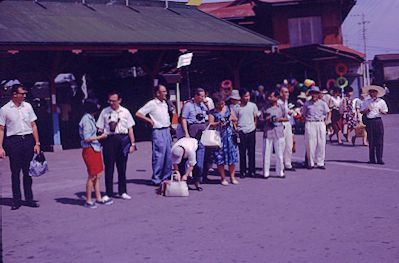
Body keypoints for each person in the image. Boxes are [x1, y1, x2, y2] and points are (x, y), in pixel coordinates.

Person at [0, 84, 41, 210]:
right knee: (15, 173)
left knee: (28, 172)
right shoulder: (4, 109)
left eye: (25, 93)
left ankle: (29, 199)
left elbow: (33, 125)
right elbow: (1, 129)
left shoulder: (27, 106)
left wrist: (37, 143)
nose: (24, 95)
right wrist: (0, 147)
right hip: (14, 142)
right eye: (22, 93)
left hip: (28, 140)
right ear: (14, 94)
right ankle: (16, 200)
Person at [97, 91, 136, 202]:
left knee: (122, 167)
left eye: (114, 101)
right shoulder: (105, 112)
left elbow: (130, 129)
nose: (111, 103)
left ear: (119, 100)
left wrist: (133, 144)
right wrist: (100, 137)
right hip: (109, 139)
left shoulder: (125, 112)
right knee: (109, 167)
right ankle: (108, 192)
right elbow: (99, 127)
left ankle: (122, 191)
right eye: (110, 100)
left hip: (123, 139)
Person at [136, 85, 172, 186]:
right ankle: (156, 178)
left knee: (168, 154)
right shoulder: (152, 103)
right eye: (163, 92)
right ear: (157, 93)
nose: (165, 93)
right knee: (159, 155)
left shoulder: (164, 103)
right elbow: (139, 113)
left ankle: (166, 176)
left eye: (165, 91)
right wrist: (149, 120)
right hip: (158, 130)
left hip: (166, 130)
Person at [79, 102, 112, 208]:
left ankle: (98, 197)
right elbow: (87, 138)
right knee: (92, 175)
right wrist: (100, 137)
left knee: (98, 174)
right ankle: (88, 200)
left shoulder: (91, 118)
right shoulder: (86, 120)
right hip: (89, 149)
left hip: (95, 148)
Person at [180, 88, 209, 188]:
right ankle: (186, 179)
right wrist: (186, 133)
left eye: (204, 96)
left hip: (202, 130)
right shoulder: (188, 105)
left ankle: (197, 180)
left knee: (200, 157)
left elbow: (210, 114)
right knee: (189, 156)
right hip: (192, 129)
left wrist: (207, 105)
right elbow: (183, 119)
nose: (203, 98)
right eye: (201, 96)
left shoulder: (203, 106)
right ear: (196, 96)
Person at [208, 93, 239, 185]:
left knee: (232, 158)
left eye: (222, 103)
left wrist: (230, 119)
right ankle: (223, 178)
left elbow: (235, 119)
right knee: (220, 158)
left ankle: (232, 177)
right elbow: (210, 124)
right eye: (219, 104)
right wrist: (218, 123)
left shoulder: (229, 108)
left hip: (229, 137)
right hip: (218, 137)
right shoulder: (212, 112)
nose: (221, 105)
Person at [302, 86, 330, 169]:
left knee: (321, 143)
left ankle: (320, 162)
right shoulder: (307, 103)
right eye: (313, 93)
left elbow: (328, 112)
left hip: (320, 123)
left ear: (318, 94)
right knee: (310, 143)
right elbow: (304, 114)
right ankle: (311, 163)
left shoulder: (323, 103)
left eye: (316, 93)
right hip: (310, 123)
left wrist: (327, 120)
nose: (314, 95)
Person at [261, 90, 287, 178]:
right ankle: (266, 173)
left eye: (271, 96)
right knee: (266, 153)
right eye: (269, 97)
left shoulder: (281, 107)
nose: (269, 98)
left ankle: (280, 172)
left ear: (276, 98)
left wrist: (278, 119)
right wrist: (267, 119)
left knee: (279, 153)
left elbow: (286, 118)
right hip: (268, 132)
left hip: (278, 131)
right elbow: (261, 119)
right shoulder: (265, 107)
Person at [234, 88, 259, 178]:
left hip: (251, 130)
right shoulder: (237, 107)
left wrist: (254, 126)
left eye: (248, 96)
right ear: (241, 97)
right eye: (245, 96)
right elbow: (234, 119)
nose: (247, 98)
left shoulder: (253, 106)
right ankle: (243, 171)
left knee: (251, 152)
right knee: (242, 152)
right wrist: (236, 128)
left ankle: (252, 170)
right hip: (241, 131)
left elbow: (255, 117)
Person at [360, 85, 388, 165]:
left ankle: (379, 159)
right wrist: (366, 110)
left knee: (379, 140)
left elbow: (385, 112)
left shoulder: (381, 101)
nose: (372, 93)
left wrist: (381, 111)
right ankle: (372, 158)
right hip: (370, 121)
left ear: (377, 93)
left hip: (378, 120)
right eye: (371, 92)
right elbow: (361, 111)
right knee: (371, 140)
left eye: (374, 92)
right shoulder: (366, 101)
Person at [278, 87, 296, 171]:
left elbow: (287, 112)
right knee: (282, 145)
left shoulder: (286, 102)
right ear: (281, 93)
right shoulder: (278, 102)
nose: (287, 94)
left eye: (288, 92)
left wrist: (292, 112)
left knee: (289, 144)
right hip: (281, 124)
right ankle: (281, 164)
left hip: (288, 123)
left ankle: (288, 163)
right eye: (285, 92)